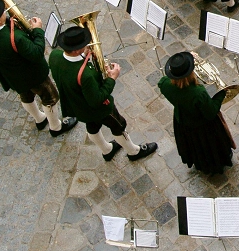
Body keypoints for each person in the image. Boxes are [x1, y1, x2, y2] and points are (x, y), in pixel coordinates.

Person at [50, 25, 158, 162]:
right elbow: (97, 99)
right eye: (84, 44)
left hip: (79, 106)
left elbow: (69, 73)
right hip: (99, 109)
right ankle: (134, 152)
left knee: (92, 127)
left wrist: (84, 56)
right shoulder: (86, 75)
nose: (87, 44)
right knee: (118, 126)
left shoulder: (54, 56)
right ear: (76, 50)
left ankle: (107, 150)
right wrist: (111, 79)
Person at [0, 0, 78, 137]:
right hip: (33, 75)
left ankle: (40, 119)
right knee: (50, 98)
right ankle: (56, 127)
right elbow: (37, 52)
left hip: (11, 76)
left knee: (26, 96)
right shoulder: (15, 39)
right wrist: (38, 30)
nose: (5, 12)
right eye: (2, 12)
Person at [158, 52, 236, 174]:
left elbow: (163, 82)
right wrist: (221, 93)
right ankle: (216, 165)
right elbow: (211, 112)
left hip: (183, 122)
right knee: (209, 148)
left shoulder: (164, 84)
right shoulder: (198, 92)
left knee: (195, 147)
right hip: (204, 128)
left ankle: (200, 163)